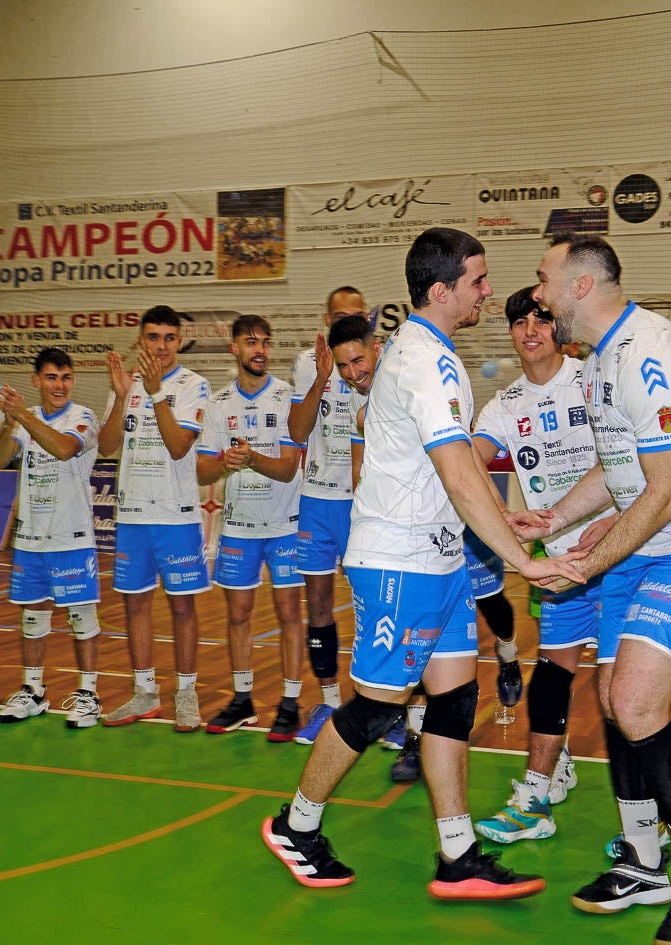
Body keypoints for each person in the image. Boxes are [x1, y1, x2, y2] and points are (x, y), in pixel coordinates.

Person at [260, 227, 583, 900]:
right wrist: (521, 558)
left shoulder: (428, 354)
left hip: (439, 561)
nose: (487, 291)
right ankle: (296, 825)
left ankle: (457, 851)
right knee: (376, 708)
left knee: (455, 697)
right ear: (441, 291)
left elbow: (457, 471)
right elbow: (459, 472)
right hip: (398, 562)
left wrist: (508, 523)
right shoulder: (427, 362)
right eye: (478, 281)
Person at [523, 234, 671, 941]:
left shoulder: (652, 356)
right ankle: (644, 858)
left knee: (635, 700)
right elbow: (621, 466)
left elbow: (669, 490)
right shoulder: (598, 362)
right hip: (640, 544)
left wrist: (586, 564)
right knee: (611, 697)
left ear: (582, 286)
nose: (536, 294)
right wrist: (559, 517)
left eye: (542, 280)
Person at [470, 286, 616, 843]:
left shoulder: (593, 378)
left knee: (624, 689)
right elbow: (468, 461)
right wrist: (500, 513)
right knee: (553, 676)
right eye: (519, 322)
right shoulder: (504, 405)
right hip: (559, 564)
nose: (530, 330)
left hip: (622, 550)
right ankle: (534, 796)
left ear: (560, 327)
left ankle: (651, 816)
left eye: (541, 319)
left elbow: (630, 460)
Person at [97, 306, 211, 731]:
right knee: (136, 605)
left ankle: (186, 695)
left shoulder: (193, 385)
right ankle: (144, 693)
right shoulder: (125, 385)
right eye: (152, 337)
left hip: (176, 517)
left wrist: (156, 392)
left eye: (168, 337)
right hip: (131, 515)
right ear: (140, 341)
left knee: (183, 608)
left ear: (178, 342)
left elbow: (180, 445)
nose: (160, 346)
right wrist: (123, 394)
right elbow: (107, 445)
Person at [195, 314, 306, 740]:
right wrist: (225, 461)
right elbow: (204, 474)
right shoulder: (220, 404)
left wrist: (253, 459)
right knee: (238, 614)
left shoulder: (287, 397)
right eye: (250, 342)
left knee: (288, 614)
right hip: (239, 527)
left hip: (284, 524)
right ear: (234, 349)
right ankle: (242, 700)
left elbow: (289, 469)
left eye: (264, 342)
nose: (258, 350)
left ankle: (290, 703)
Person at [0, 349, 104, 729]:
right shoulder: (26, 419)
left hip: (71, 536)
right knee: (33, 617)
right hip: (32, 537)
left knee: (81, 618)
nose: (60, 385)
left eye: (66, 377)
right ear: (36, 380)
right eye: (52, 377)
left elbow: (64, 447)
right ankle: (33, 690)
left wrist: (21, 415)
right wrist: (10, 422)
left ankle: (89, 695)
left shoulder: (83, 416)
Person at [285, 287, 367, 744]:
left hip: (361, 503)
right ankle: (331, 701)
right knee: (317, 605)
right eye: (338, 316)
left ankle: (376, 705)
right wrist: (319, 379)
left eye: (353, 317)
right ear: (326, 317)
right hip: (315, 500)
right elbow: (297, 432)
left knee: (371, 605)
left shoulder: (375, 364)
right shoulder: (306, 362)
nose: (344, 323)